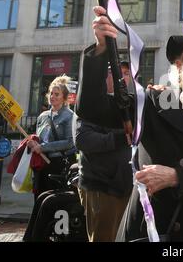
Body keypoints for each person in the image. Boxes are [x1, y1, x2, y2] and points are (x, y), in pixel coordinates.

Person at [76, 7, 183, 242]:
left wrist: (178, 177)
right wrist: (101, 49)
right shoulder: (149, 102)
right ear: (179, 66)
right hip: (149, 228)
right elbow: (92, 109)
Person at [75, 64, 134, 242]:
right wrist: (122, 138)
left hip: (128, 185)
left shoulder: (130, 103)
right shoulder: (90, 103)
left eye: (126, 73)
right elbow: (83, 139)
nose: (122, 77)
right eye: (115, 72)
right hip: (102, 187)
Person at [26, 75, 76, 198]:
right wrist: (32, 143)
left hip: (59, 165)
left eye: (57, 94)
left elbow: (70, 142)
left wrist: (42, 147)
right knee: (39, 198)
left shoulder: (69, 116)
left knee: (55, 202)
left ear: (64, 98)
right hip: (41, 165)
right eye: (51, 93)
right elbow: (38, 139)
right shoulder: (42, 116)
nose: (52, 96)